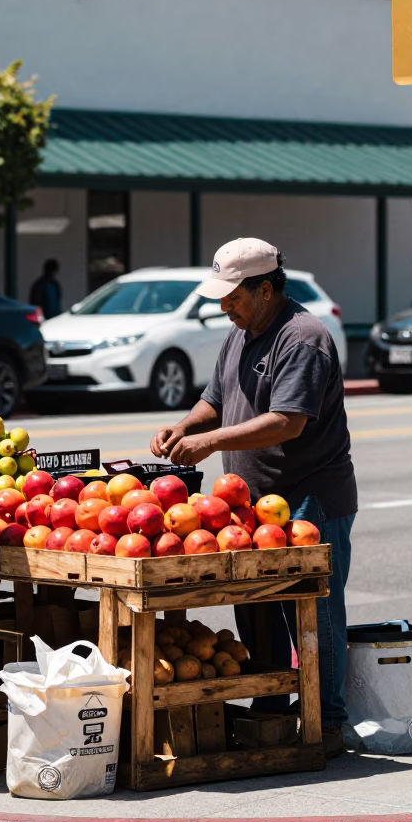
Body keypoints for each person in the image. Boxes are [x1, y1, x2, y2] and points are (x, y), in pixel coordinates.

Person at [151, 238, 356, 756]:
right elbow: (213, 402)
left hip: (309, 499)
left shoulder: (302, 337)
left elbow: (288, 422)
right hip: (248, 504)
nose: (225, 307)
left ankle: (327, 719)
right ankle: (271, 708)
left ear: (266, 289)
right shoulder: (241, 333)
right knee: (255, 610)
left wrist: (210, 441)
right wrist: (183, 427)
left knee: (312, 614)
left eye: (234, 296)